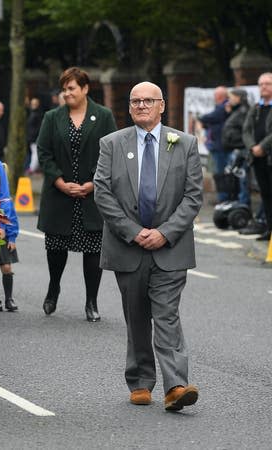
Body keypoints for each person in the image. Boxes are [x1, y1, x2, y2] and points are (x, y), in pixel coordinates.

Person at [94, 81, 203, 411]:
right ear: (129, 108)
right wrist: (134, 231)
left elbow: (194, 195)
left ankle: (176, 385)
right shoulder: (112, 144)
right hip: (128, 246)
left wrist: (165, 232)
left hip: (171, 247)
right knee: (137, 314)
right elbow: (102, 192)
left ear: (162, 106)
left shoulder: (184, 143)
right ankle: (140, 381)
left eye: (148, 101)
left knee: (166, 315)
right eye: (136, 101)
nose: (142, 106)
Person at [36, 67, 117, 322]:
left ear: (85, 89)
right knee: (56, 247)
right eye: (64, 89)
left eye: (71, 88)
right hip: (60, 195)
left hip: (92, 195)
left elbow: (110, 152)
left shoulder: (103, 116)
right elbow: (44, 152)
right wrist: (60, 182)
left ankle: (91, 301)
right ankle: (54, 287)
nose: (67, 93)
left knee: (93, 249)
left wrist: (93, 183)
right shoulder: (52, 117)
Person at [242, 72, 272, 242]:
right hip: (258, 158)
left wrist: (263, 146)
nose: (263, 87)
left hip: (269, 156)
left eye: (267, 84)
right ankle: (269, 229)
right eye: (261, 84)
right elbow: (246, 130)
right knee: (265, 195)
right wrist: (253, 147)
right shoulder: (256, 107)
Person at [0, 157, 20, 313]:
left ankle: (9, 298)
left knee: (6, 267)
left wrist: (11, 235)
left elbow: (6, 204)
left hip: (2, 229)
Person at [199, 86, 229, 203]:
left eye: (215, 95)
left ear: (219, 96)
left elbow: (208, 117)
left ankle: (224, 199)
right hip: (215, 146)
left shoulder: (223, 107)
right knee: (217, 173)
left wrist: (203, 120)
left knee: (220, 174)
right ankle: (222, 198)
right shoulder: (221, 107)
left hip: (220, 146)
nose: (214, 97)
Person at [222, 88, 251, 206]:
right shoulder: (237, 110)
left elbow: (246, 130)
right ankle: (238, 202)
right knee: (235, 177)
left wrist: (239, 143)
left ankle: (243, 205)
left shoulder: (243, 111)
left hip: (241, 149)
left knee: (242, 178)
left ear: (238, 98)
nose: (229, 100)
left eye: (231, 97)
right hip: (236, 148)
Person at [26, 97, 43, 173]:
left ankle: (32, 168)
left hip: (34, 137)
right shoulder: (31, 113)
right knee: (33, 152)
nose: (33, 105)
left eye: (35, 104)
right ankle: (33, 167)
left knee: (35, 153)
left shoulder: (37, 114)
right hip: (31, 137)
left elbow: (38, 127)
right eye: (32, 104)